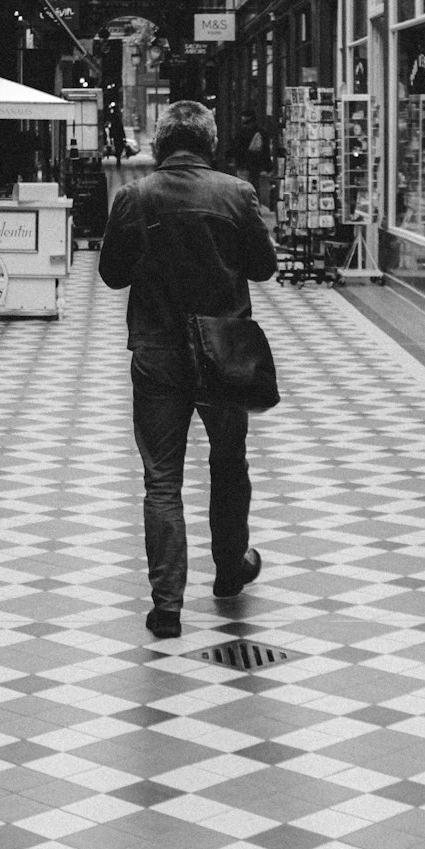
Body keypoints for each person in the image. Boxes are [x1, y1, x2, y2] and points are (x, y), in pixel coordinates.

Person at [98, 100, 277, 638]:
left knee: (161, 481)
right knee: (228, 464)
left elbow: (111, 275)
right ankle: (228, 571)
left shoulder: (134, 196)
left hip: (158, 354)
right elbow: (265, 268)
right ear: (209, 142)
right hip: (224, 354)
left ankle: (167, 606)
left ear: (162, 144)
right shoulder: (236, 194)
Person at [230, 108, 269, 191]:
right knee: (253, 189)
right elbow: (266, 151)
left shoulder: (240, 133)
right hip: (255, 167)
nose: (245, 125)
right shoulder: (261, 133)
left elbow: (236, 150)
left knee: (243, 189)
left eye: (246, 122)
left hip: (244, 166)